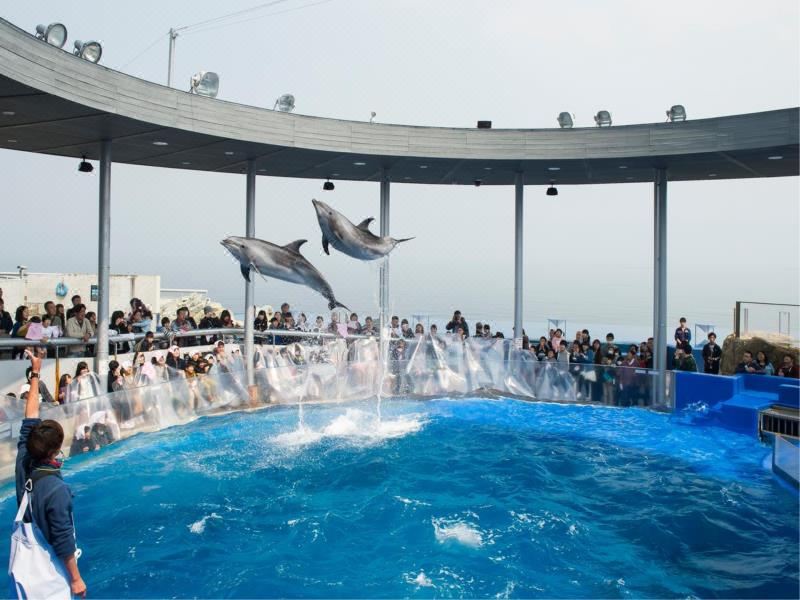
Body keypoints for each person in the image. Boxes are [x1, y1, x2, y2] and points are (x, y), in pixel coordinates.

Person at [15, 350, 87, 598]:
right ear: (56, 451)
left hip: (24, 564)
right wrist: (76, 580)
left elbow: (29, 416)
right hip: (49, 572)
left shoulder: (24, 455)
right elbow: (63, 538)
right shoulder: (57, 489)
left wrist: (36, 372)